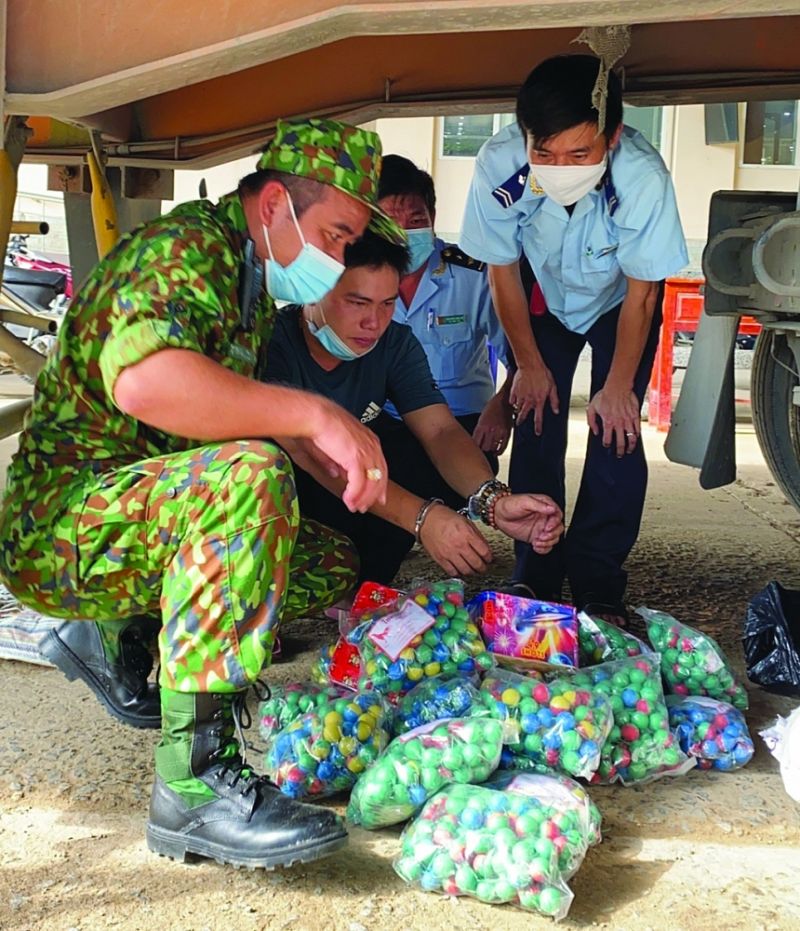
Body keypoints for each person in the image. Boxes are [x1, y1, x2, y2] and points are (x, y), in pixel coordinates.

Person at [0, 118, 407, 870]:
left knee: (316, 559)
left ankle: (109, 631)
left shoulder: (246, 277)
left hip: (122, 515)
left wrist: (414, 505)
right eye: (339, 233)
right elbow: (147, 381)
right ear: (276, 204)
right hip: (59, 530)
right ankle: (193, 783)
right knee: (248, 477)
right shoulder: (187, 251)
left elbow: (244, 420)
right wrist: (316, 410)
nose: (342, 257)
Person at [459, 55, 688, 623]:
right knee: (536, 417)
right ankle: (534, 571)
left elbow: (643, 294)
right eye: (545, 152)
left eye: (579, 154)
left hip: (618, 302)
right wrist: (525, 365)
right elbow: (502, 271)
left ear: (611, 137)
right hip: (541, 294)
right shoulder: (500, 163)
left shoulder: (642, 176)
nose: (559, 166)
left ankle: (597, 579)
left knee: (617, 431)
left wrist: (617, 386)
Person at [261, 230, 564, 585]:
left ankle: (366, 582)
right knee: (267, 469)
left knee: (416, 458)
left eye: (387, 303)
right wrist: (423, 518)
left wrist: (492, 500)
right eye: (357, 303)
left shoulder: (395, 343)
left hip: (355, 490)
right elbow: (311, 454)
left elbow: (440, 431)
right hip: (288, 496)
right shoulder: (273, 344)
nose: (374, 323)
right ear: (312, 292)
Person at [371, 155, 514, 508]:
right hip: (386, 418)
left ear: (433, 219)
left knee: (444, 484)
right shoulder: (355, 280)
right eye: (390, 221)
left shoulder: (473, 275)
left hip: (461, 419)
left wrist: (503, 406)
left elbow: (522, 356)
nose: (404, 233)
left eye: (415, 220)